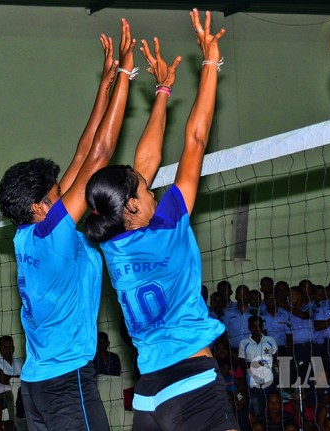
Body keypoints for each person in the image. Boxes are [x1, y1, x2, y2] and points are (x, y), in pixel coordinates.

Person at [84, 9, 236, 430]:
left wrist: (164, 90)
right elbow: (196, 140)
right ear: (132, 206)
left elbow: (144, 163)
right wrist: (210, 64)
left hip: (149, 393)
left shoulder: (111, 240)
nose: (153, 190)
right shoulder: (167, 225)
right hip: (193, 384)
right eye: (146, 190)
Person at [0, 17, 135, 431]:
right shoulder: (53, 233)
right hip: (67, 383)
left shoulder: (25, 236)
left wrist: (104, 84)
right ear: (39, 207)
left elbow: (82, 155)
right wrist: (126, 76)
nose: (67, 193)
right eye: (57, 192)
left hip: (36, 387)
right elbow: (100, 155)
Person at [0, 336, 23, 425]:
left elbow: (26, 377)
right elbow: (3, 380)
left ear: (13, 348)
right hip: (1, 394)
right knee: (11, 398)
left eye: (10, 347)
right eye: (5, 347)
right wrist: (19, 377)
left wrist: (9, 377)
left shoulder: (19, 360)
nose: (8, 350)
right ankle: (14, 426)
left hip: (20, 391)